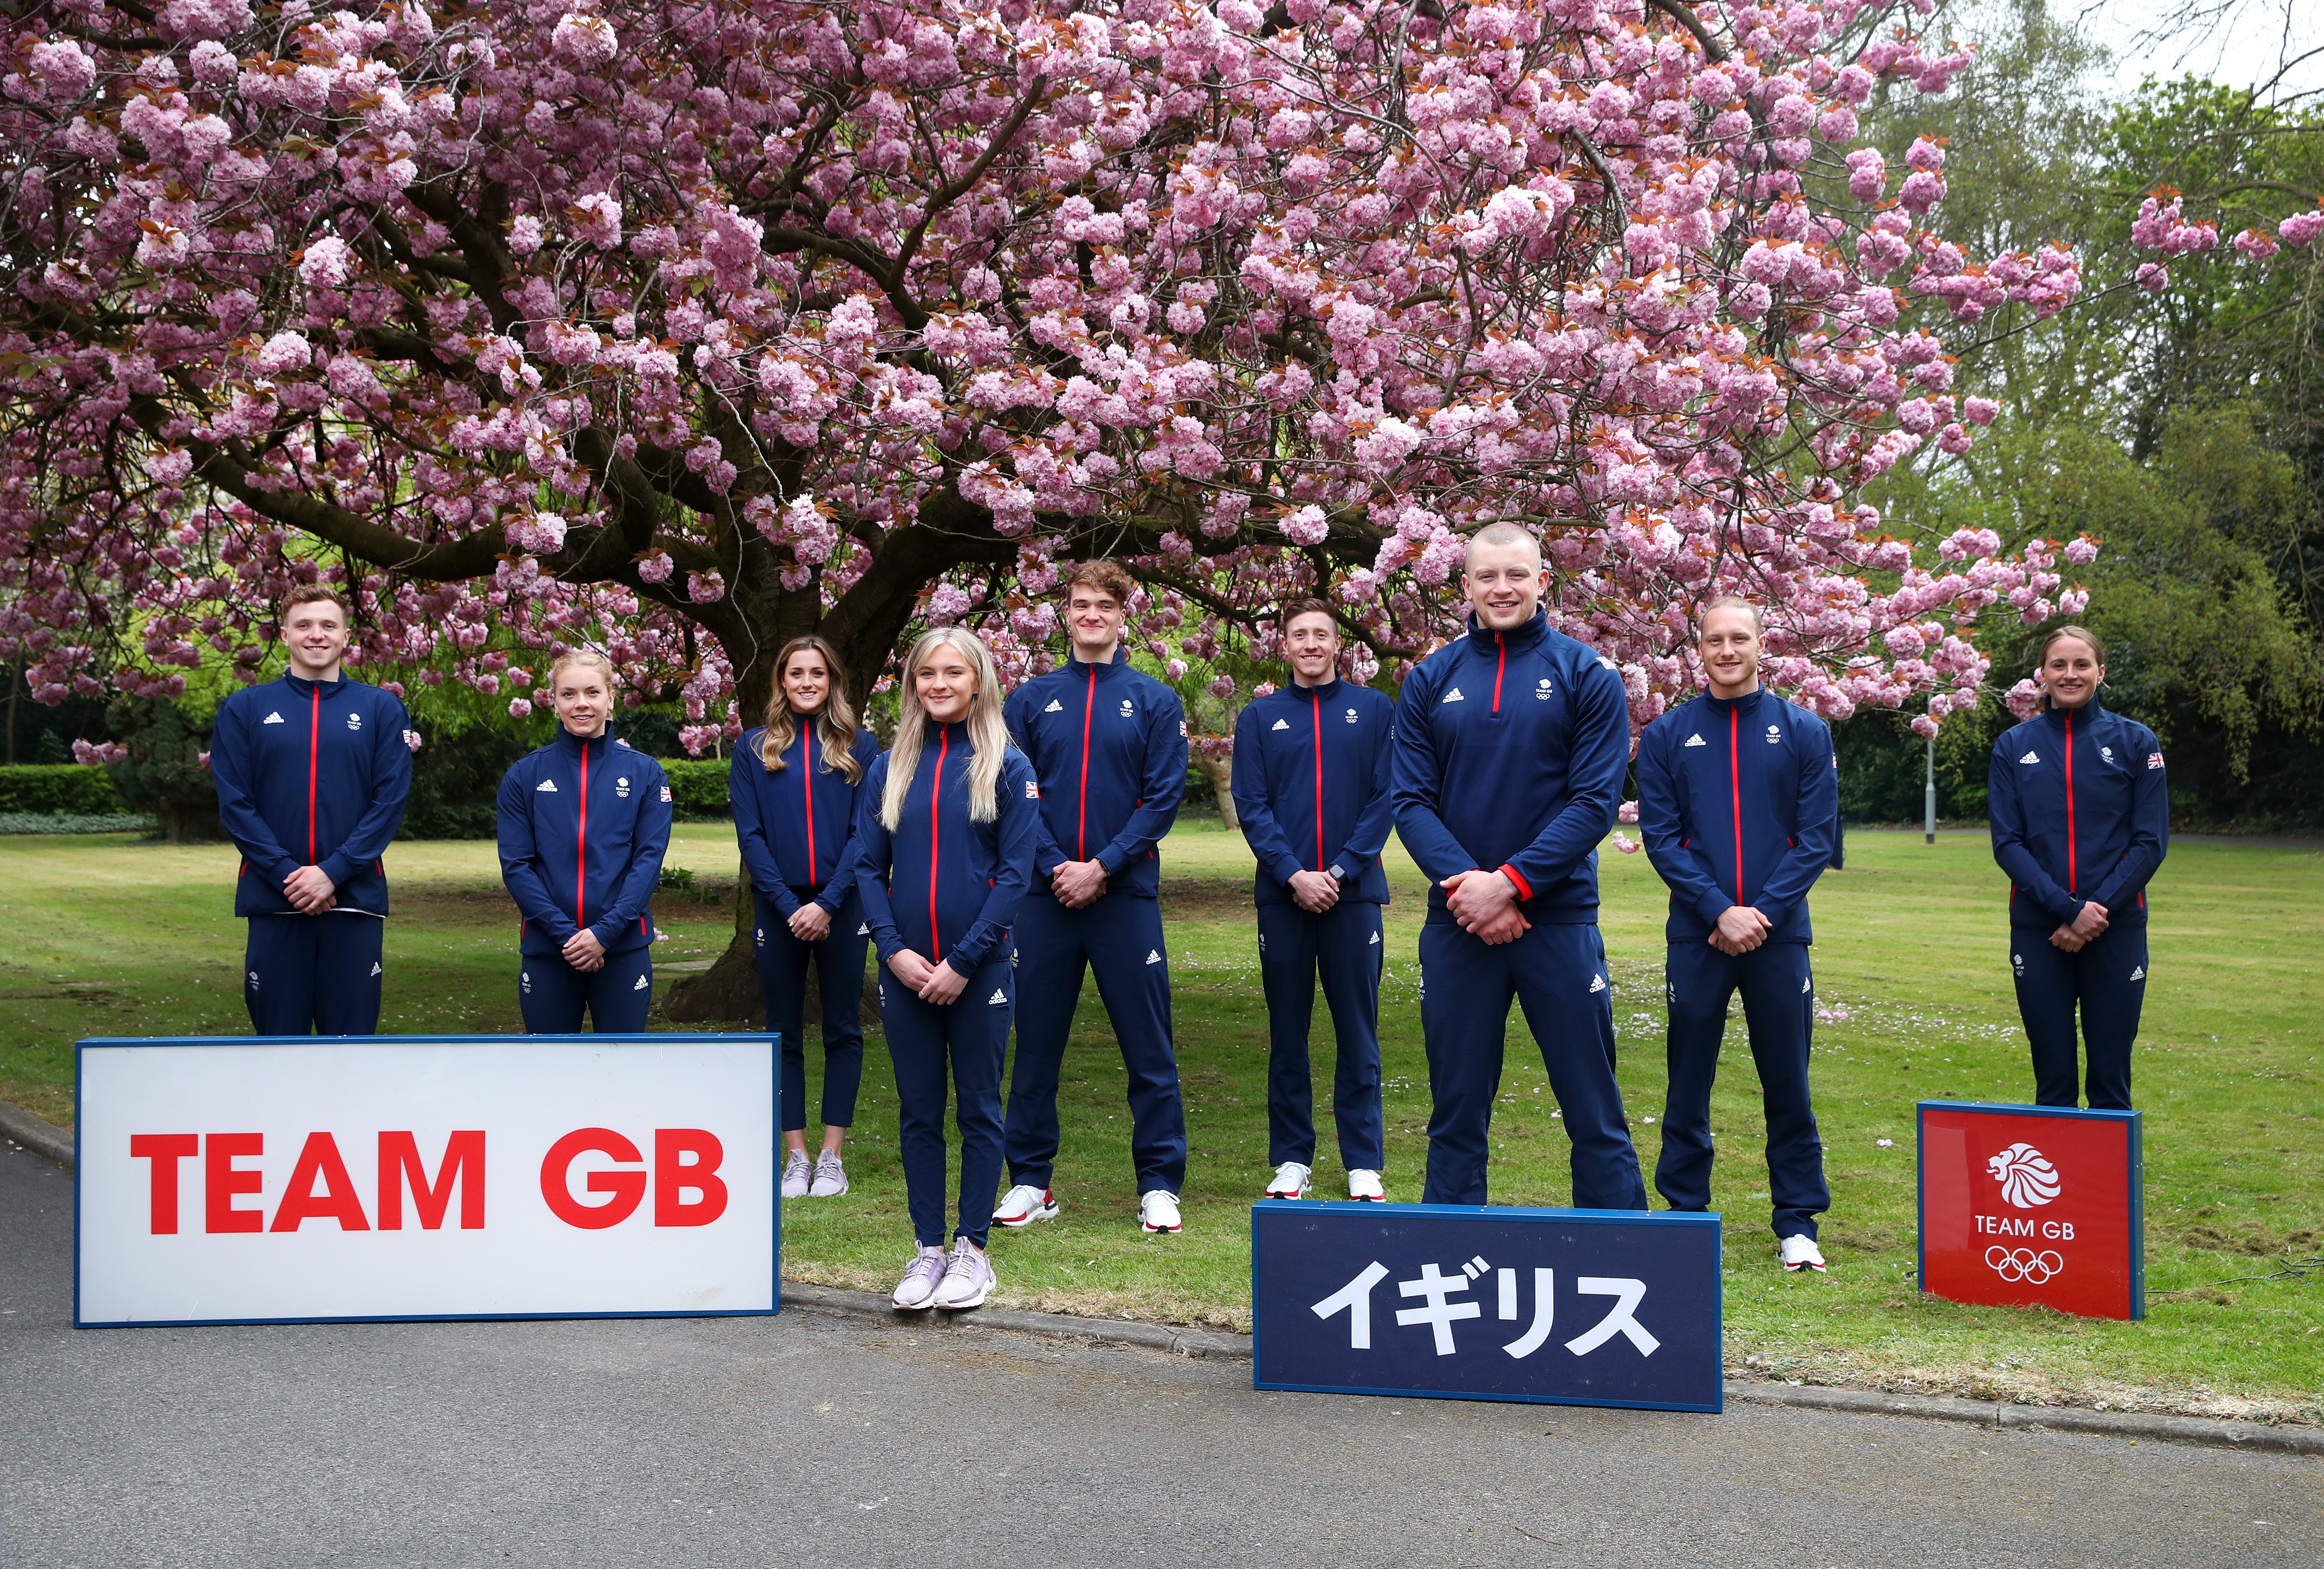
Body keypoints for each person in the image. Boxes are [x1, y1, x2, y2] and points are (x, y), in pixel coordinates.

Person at [1388, 523, 1647, 1209]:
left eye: (1516, 575)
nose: (1501, 588)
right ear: (1465, 586)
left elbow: (1594, 803)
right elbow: (1409, 800)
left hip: (1556, 922)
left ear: (1542, 582)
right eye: (1486, 577)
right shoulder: (1430, 680)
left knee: (1593, 1108)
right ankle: (1445, 1265)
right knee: (1456, 1113)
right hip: (1457, 926)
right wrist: (1471, 892)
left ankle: (1623, 1253)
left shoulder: (1586, 674)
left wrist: (1509, 885)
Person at [1636, 597, 1839, 1272]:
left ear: (1761, 644)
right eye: (1714, 640)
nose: (1727, 651)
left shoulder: (1805, 730)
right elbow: (1663, 839)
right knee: (1687, 1077)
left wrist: (1760, 914)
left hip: (1778, 937)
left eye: (1739, 639)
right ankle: (1686, 1212)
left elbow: (1814, 841)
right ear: (1699, 648)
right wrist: (1718, 909)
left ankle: (1797, 1221)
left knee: (1788, 1079)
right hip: (1698, 936)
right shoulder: (1667, 734)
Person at [995, 560, 1192, 1235]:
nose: (1091, 615)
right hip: (1045, 898)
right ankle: (1029, 1180)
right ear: (1066, 614)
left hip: (1125, 896)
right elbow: (1013, 794)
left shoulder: (1156, 699)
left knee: (1149, 1048)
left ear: (1122, 614)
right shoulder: (1028, 699)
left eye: (1104, 604)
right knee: (1036, 1044)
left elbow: (1162, 798)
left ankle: (1160, 1183)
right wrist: (1057, 867)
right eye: (1080, 603)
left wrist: (1102, 866)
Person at [852, 627, 1040, 1311]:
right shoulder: (889, 768)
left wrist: (962, 962)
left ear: (978, 682)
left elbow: (1017, 876)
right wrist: (894, 950)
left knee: (980, 1109)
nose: (939, 684)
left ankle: (973, 1251)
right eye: (927, 673)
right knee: (919, 1110)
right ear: (913, 684)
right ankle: (928, 1248)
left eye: (953, 673)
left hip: (979, 969)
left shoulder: (1008, 768)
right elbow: (869, 867)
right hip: (905, 970)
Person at [1231, 598, 1396, 1203]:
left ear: (1336, 644)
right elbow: (1253, 806)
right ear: (1285, 645)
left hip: (1354, 900)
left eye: (1320, 634)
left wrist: (1344, 870)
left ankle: (1363, 1160)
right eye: (1298, 634)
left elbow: (1386, 798)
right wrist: (1294, 874)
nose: (1309, 643)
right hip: (1284, 900)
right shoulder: (1259, 717)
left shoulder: (1375, 711)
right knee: (1288, 1033)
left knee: (1358, 1031)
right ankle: (1293, 1158)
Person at [210, 584, 414, 1035]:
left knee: (352, 1050)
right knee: (279, 1051)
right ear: (284, 635)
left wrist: (333, 872)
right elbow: (235, 803)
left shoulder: (382, 709)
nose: (316, 635)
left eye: (328, 625)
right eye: (304, 625)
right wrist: (288, 873)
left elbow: (389, 801)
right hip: (274, 901)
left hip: (353, 902)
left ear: (346, 637)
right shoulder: (244, 708)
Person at [1988, 625, 2168, 1110]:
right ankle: (2058, 1188)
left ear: (2100, 672)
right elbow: (2007, 844)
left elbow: (2149, 843)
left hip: (2115, 928)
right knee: (2053, 1081)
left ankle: (2106, 1189)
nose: (2069, 675)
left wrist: (2094, 912)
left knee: (2109, 1080)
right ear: (2041, 675)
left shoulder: (2135, 741)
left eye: (2081, 664)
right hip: (2038, 928)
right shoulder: (2012, 745)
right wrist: (2065, 910)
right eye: (2058, 665)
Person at [732, 636, 880, 1202]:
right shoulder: (752, 749)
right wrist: (793, 907)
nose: (807, 683)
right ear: (781, 680)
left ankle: (830, 1157)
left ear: (833, 680)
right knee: (783, 1031)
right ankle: (794, 1157)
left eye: (817, 673)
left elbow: (864, 834)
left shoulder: (860, 747)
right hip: (779, 906)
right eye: (796, 673)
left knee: (843, 1028)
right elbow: (751, 836)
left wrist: (827, 903)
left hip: (843, 906)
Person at [496, 650, 673, 1032]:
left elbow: (648, 861)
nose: (581, 704)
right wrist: (568, 937)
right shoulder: (525, 775)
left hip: (623, 949)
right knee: (550, 1075)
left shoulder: (646, 773)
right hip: (549, 949)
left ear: (611, 697)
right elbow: (516, 866)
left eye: (592, 693)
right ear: (554, 701)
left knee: (622, 1071)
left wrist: (603, 935)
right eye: (569, 694)